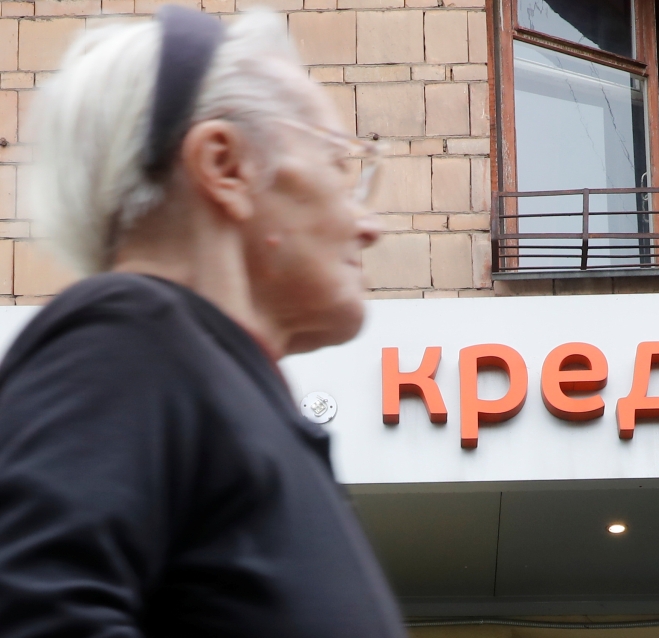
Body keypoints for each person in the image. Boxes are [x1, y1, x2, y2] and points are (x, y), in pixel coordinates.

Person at [0, 6, 407, 637]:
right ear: (225, 166)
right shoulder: (126, 337)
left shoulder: (191, 367)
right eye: (341, 163)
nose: (371, 225)